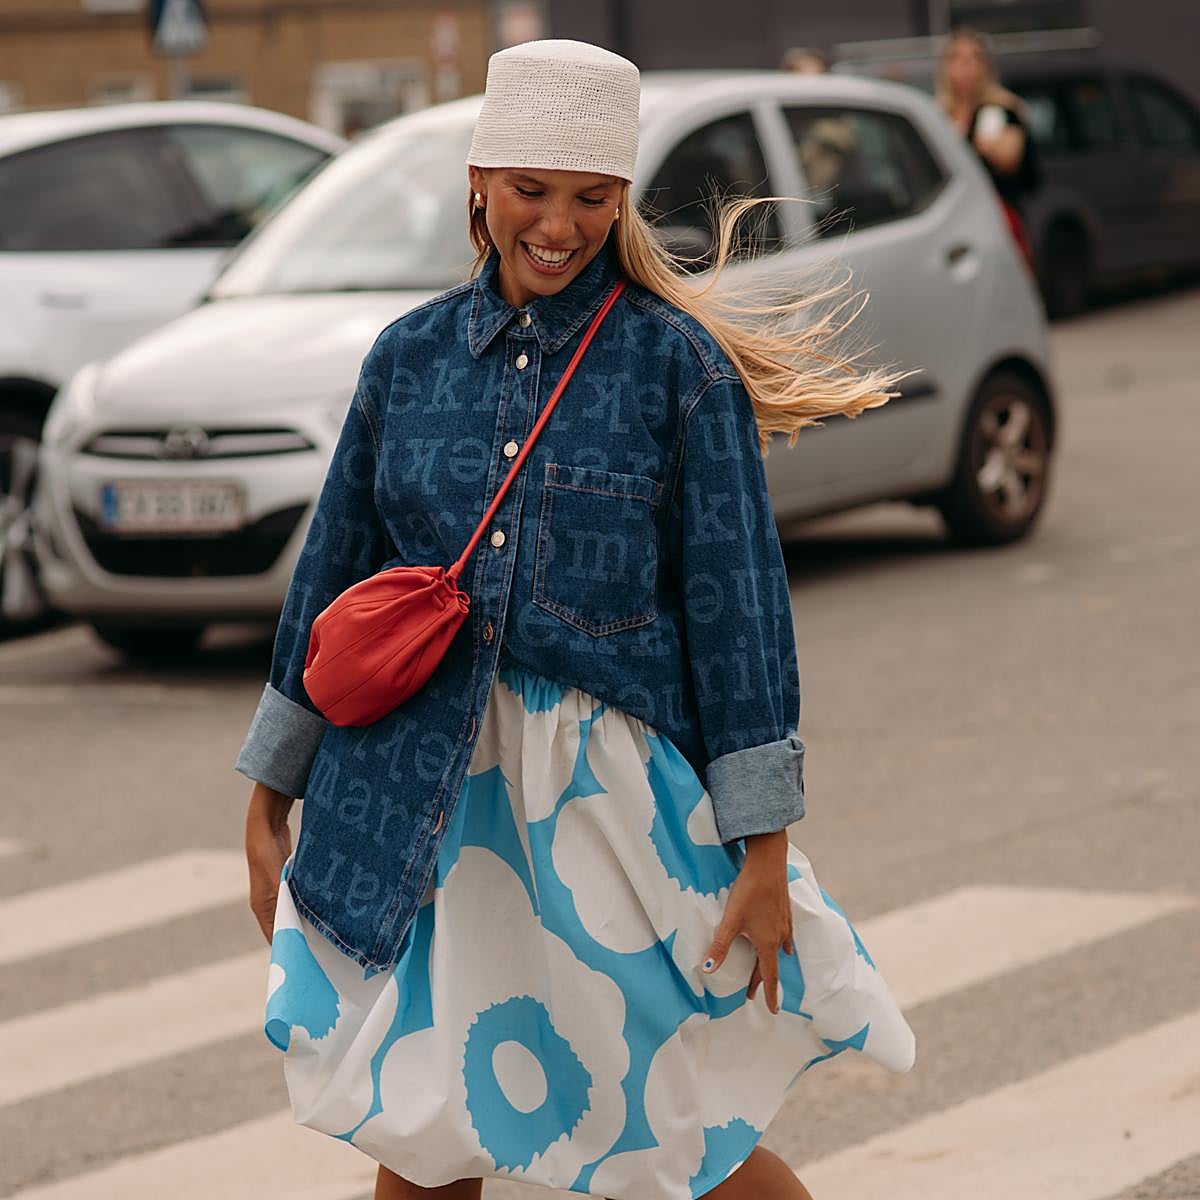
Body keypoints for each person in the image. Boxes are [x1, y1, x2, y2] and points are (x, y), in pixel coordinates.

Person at [237, 38, 916, 1200]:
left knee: (674, 1136)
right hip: (425, 808)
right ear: (481, 186)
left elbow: (739, 618)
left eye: (592, 199)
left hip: (607, 821)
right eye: (531, 193)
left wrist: (765, 851)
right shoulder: (405, 363)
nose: (558, 224)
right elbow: (330, 584)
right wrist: (269, 788)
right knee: (424, 1131)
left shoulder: (677, 370)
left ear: (623, 199)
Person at [937, 27, 1040, 262]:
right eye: (959, 59)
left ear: (986, 66)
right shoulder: (938, 115)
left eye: (974, 59)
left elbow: (1027, 174)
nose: (967, 68)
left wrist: (1002, 151)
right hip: (951, 225)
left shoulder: (1002, 111)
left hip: (995, 219)